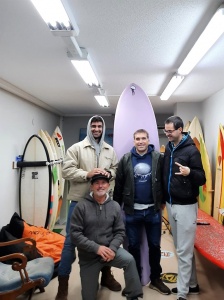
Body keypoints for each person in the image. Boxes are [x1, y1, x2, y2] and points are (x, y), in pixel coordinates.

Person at [55, 116, 121, 300]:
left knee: (105, 238)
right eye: (93, 126)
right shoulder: (76, 149)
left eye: (99, 126)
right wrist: (87, 174)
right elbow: (66, 171)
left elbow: (116, 169)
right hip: (79, 201)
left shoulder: (110, 150)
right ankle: (63, 286)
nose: (97, 129)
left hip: (103, 203)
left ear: (103, 128)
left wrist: (109, 173)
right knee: (70, 243)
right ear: (89, 127)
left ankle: (106, 276)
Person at [113, 129, 171, 295]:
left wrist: (163, 201)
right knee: (133, 247)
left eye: (143, 138)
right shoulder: (126, 159)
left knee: (154, 246)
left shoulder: (157, 158)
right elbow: (118, 185)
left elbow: (164, 180)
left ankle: (155, 279)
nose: (140, 141)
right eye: (137, 139)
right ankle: (135, 281)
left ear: (148, 140)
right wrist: (116, 209)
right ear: (134, 141)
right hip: (132, 212)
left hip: (153, 211)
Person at [70, 173, 143, 300]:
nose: (100, 186)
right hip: (89, 257)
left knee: (129, 260)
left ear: (108, 186)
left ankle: (134, 295)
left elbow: (120, 231)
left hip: (110, 251)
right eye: (97, 183)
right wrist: (96, 248)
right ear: (91, 187)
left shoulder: (114, 206)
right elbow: (75, 235)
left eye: (103, 183)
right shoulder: (81, 206)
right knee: (88, 297)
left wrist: (113, 249)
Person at [162, 115, 206, 300]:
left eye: (170, 131)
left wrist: (190, 173)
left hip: (186, 206)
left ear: (180, 130)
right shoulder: (170, 149)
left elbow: (202, 178)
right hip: (172, 205)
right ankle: (192, 285)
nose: (168, 134)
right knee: (182, 248)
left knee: (183, 250)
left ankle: (182, 293)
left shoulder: (191, 151)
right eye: (166, 131)